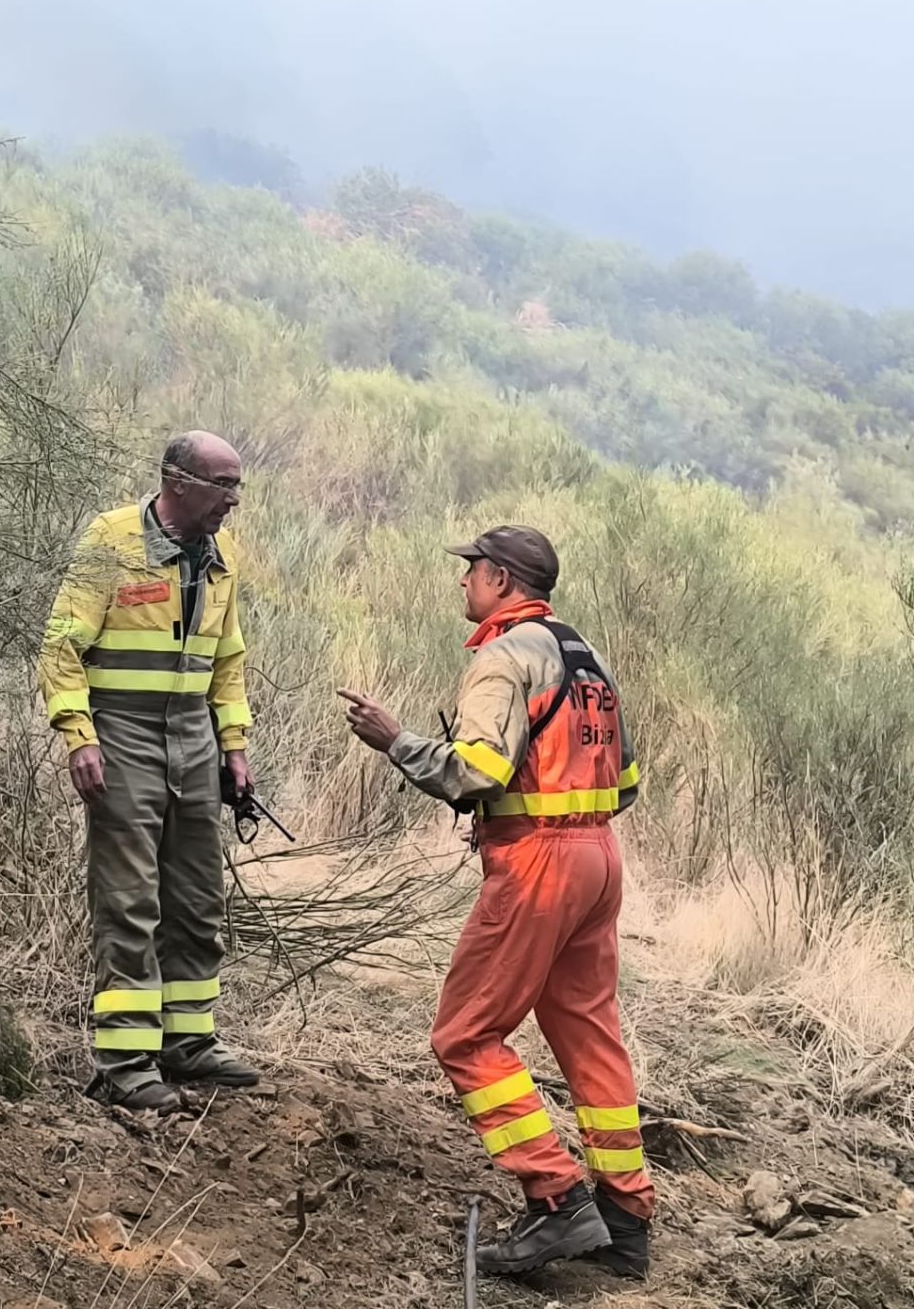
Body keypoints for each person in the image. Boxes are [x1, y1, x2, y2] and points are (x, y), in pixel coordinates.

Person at [339, 526, 654, 1279]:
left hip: (539, 862)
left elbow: (478, 771)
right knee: (588, 1033)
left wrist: (396, 741)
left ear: (505, 580)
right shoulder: (588, 658)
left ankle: (555, 1198)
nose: (463, 584)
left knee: (465, 1037)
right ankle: (627, 1217)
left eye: (472, 571)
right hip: (600, 859)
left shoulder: (503, 658)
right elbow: (630, 779)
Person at [38, 431, 259, 1112]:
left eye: (237, 486)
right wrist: (80, 738)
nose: (233, 499)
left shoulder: (223, 556)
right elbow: (61, 649)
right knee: (130, 899)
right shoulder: (110, 540)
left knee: (195, 899)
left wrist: (234, 746)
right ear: (178, 481)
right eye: (223, 484)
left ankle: (189, 1044)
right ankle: (126, 1061)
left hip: (192, 736)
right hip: (123, 733)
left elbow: (228, 661)